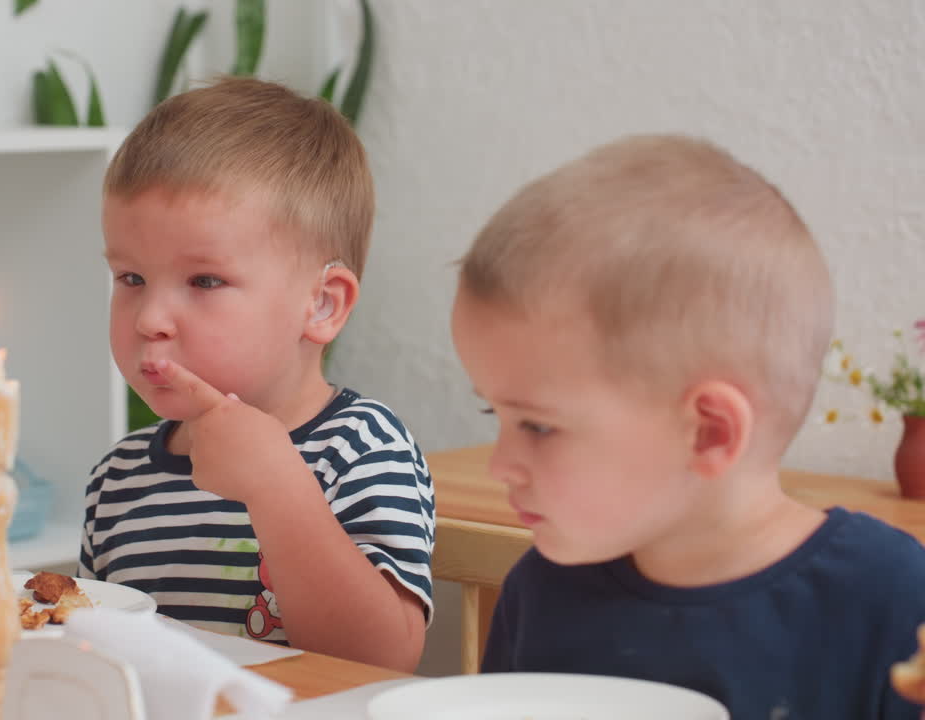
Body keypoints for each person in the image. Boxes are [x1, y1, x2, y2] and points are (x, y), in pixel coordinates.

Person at [451, 134, 925, 717]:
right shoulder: (540, 592)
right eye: (492, 413)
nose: (500, 464)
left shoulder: (894, 600)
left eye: (538, 427)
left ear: (709, 433)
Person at [77, 77, 434, 672]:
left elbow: (382, 660)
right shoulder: (118, 482)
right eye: (131, 279)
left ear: (321, 305)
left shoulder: (361, 448)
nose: (151, 319)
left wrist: (275, 485)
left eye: (205, 282)